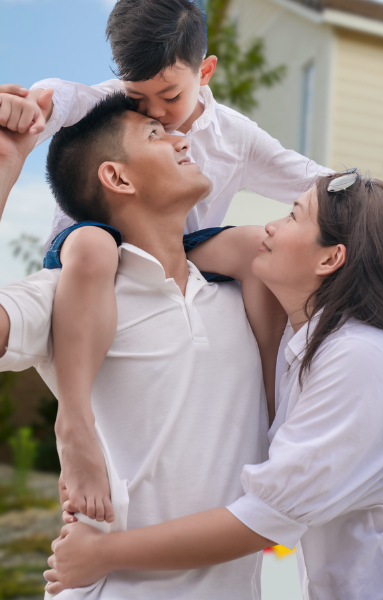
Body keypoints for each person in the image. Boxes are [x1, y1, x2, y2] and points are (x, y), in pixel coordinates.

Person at [44, 171, 383, 600]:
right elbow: (178, 250)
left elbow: (262, 520)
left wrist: (103, 554)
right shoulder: (311, 340)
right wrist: (95, 248)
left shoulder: (361, 356)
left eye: (294, 216)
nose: (272, 228)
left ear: (330, 258)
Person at [0, 0, 329, 524]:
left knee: (252, 246)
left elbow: (308, 175)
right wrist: (27, 116)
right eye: (139, 99)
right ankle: (75, 419)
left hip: (184, 248)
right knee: (97, 248)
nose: (154, 112)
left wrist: (368, 193)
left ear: (205, 72)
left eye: (170, 98)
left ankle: (274, 410)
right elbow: (58, 97)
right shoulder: (110, 108)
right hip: (84, 251)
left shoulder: (235, 137)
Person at [0, 92, 271, 598]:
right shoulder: (68, 293)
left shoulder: (242, 293)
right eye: (154, 134)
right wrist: (4, 169)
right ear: (117, 178)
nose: (180, 136)